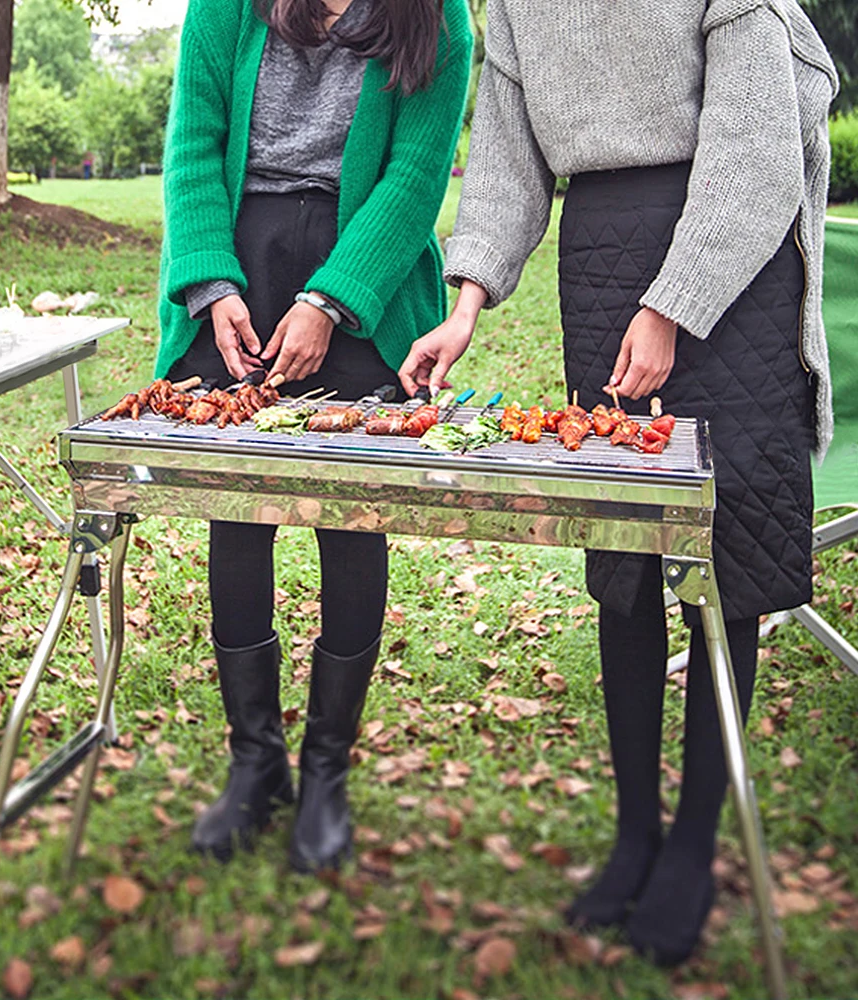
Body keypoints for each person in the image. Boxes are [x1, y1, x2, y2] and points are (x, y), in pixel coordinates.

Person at [398, 0, 837, 965]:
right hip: (600, 263)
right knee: (626, 563)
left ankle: (693, 845)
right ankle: (637, 832)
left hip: (733, 266)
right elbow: (507, 156)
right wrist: (465, 304)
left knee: (724, 564)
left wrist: (674, 305)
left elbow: (758, 147)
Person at [156, 0, 471, 871]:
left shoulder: (438, 19)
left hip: (364, 280)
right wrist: (212, 283)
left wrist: (332, 300)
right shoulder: (225, 8)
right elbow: (193, 145)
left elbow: (414, 177)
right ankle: (255, 762)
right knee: (239, 515)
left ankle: (326, 769)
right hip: (241, 272)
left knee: (351, 516)